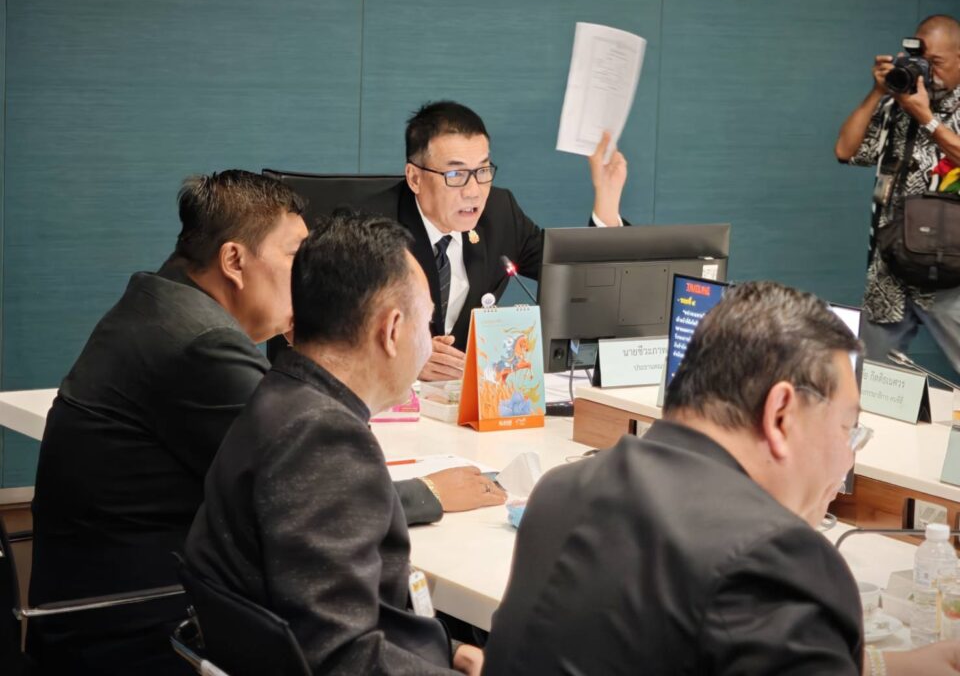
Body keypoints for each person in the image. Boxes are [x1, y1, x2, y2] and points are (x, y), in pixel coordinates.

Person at [28, 171, 498, 675]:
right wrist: (430, 491)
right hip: (136, 628)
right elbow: (314, 480)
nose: (309, 274)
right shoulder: (203, 346)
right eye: (296, 255)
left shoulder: (159, 305)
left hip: (131, 602)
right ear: (234, 260)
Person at [483, 281, 960, 675]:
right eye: (846, 428)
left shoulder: (563, 491)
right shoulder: (778, 559)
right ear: (781, 414)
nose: (847, 457)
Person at [186, 212, 483, 675]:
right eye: (426, 324)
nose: (428, 344)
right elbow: (340, 656)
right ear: (391, 330)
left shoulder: (282, 395)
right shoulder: (324, 438)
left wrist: (444, 650)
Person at [366, 101, 628, 380]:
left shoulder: (500, 213)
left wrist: (607, 200)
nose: (473, 191)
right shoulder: (371, 227)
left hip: (466, 394)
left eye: (482, 171)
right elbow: (338, 331)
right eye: (455, 174)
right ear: (415, 178)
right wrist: (404, 356)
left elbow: (578, 276)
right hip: (393, 394)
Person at [836, 14, 960, 370]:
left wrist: (927, 119)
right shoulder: (897, 106)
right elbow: (845, 150)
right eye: (921, 61)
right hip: (890, 273)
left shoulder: (923, 110)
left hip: (953, 275)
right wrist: (878, 91)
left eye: (936, 62)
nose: (927, 73)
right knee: (870, 379)